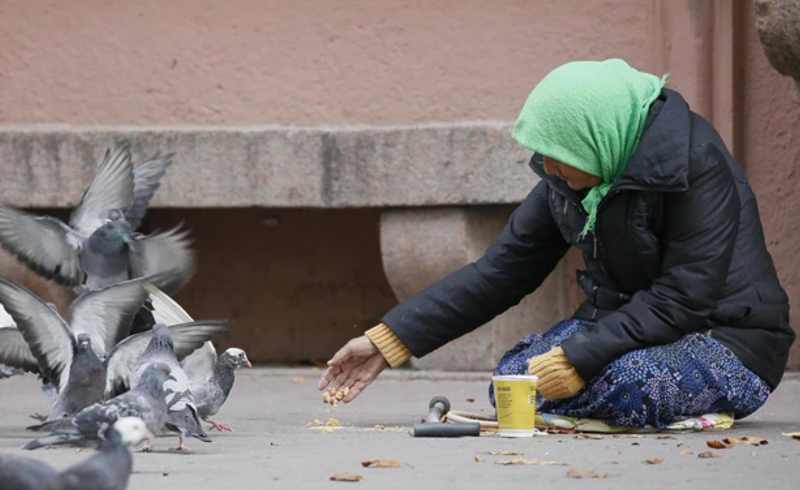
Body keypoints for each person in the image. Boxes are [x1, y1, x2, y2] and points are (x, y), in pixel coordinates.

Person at [317, 58, 795, 429]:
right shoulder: (570, 179)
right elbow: (501, 272)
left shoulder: (698, 166)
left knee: (625, 384)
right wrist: (389, 340)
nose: (547, 167)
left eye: (558, 153)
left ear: (596, 137)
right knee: (514, 382)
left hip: (725, 340)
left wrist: (578, 357)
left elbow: (684, 298)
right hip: (628, 331)